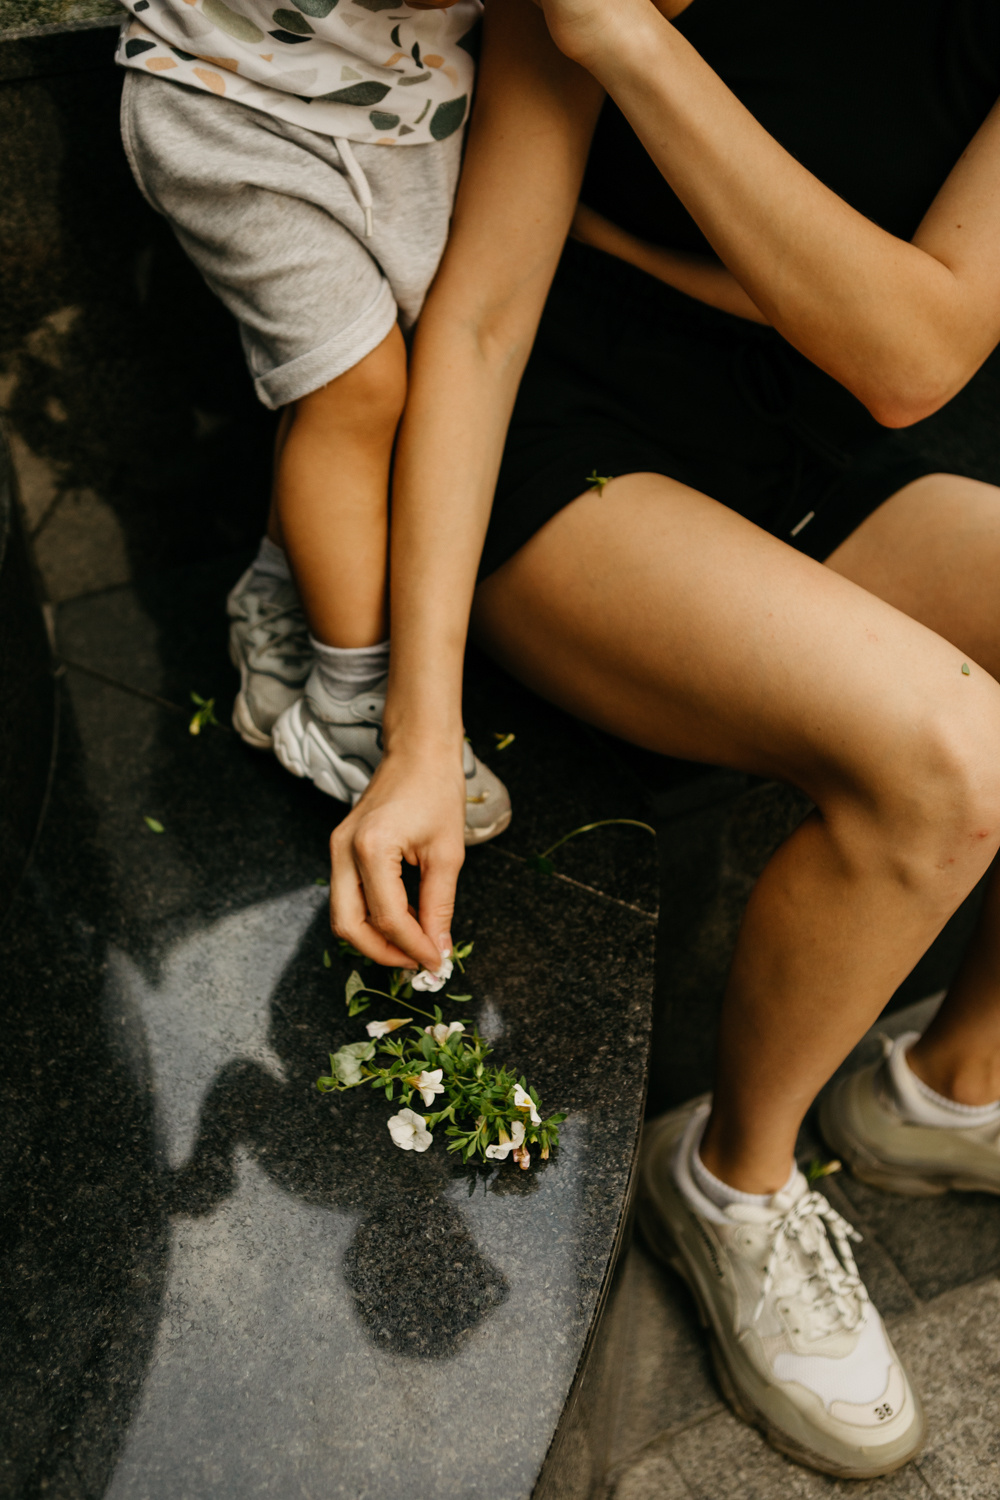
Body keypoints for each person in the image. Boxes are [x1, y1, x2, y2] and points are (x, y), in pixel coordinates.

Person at [328, 0, 1000, 1478]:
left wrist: (632, 48)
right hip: (582, 456)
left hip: (829, 444)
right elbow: (487, 321)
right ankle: (730, 1184)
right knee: (955, 755)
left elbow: (921, 348)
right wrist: (419, 732)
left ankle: (949, 1090)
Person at [114, 0, 511, 843]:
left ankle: (276, 601)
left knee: (349, 379)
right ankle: (347, 701)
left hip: (402, 115)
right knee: (357, 388)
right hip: (234, 105)